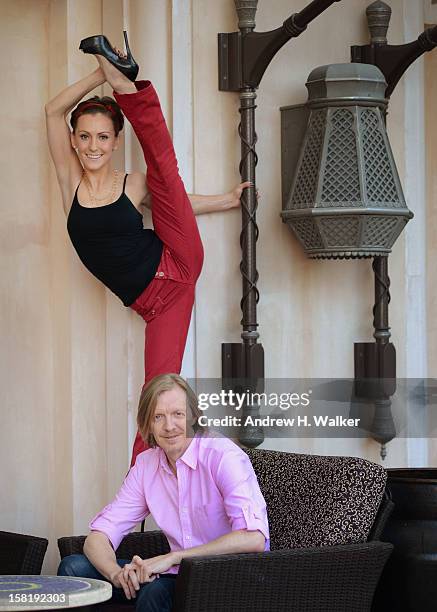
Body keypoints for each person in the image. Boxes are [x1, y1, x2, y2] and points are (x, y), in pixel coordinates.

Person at [45, 36, 251, 466]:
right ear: (74, 142)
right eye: (84, 137)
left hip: (177, 258)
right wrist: (103, 73)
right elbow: (52, 112)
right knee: (156, 396)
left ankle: (130, 85)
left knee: (163, 168)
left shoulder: (131, 183)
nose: (93, 146)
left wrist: (226, 200)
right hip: (161, 304)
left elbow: (175, 201)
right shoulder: (71, 184)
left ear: (116, 140)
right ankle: (139, 488)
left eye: (102, 137)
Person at [58, 373, 269, 612]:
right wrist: (117, 575)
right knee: (73, 569)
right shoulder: (148, 465)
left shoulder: (223, 456)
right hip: (176, 576)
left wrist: (174, 557)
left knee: (155, 591)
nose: (169, 426)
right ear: (147, 424)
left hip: (231, 577)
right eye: (158, 417)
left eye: (178, 414)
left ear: (193, 417)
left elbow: (254, 538)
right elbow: (98, 538)